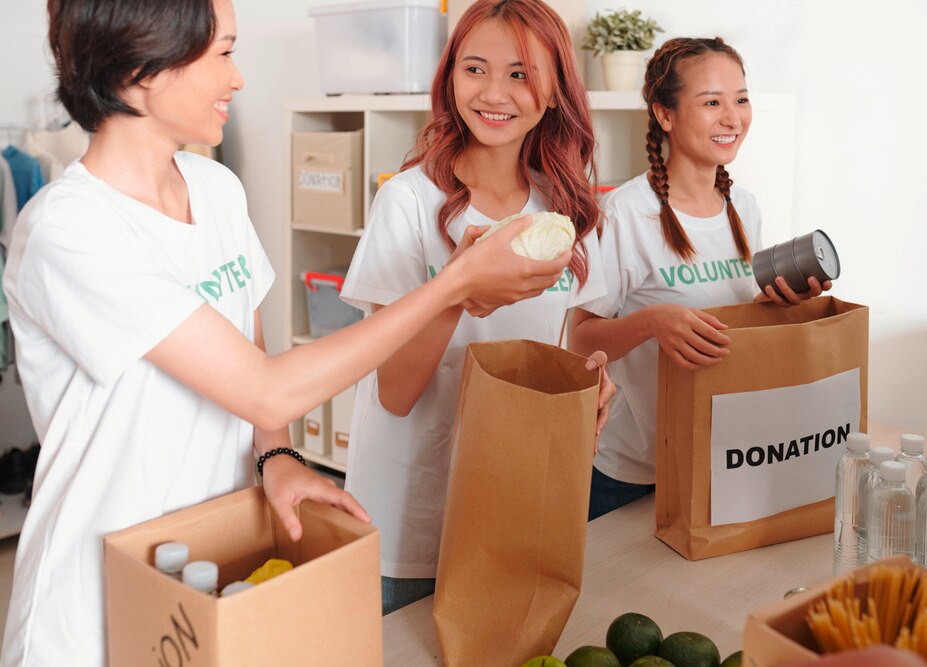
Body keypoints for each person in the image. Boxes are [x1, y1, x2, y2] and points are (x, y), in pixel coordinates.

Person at [0, 0, 573, 663]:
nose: (238, 79)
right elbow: (265, 390)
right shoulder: (69, 230)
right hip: (90, 598)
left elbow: (250, 346)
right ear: (143, 66)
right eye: (223, 53)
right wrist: (454, 284)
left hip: (212, 559)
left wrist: (276, 456)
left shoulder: (215, 189)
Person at [340, 0, 615, 614]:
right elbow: (395, 392)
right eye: (475, 68)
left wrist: (589, 381)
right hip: (411, 514)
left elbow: (556, 342)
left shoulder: (563, 205)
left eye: (521, 73)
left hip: (512, 500)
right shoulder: (409, 202)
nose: (494, 92)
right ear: (449, 78)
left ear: (555, 91)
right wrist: (461, 289)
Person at [569, 37, 832, 521]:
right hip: (630, 472)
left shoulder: (744, 207)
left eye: (741, 99)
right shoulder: (624, 213)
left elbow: (729, 323)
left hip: (720, 459)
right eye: (712, 102)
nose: (732, 117)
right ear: (664, 115)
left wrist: (781, 304)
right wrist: (651, 322)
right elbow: (580, 341)